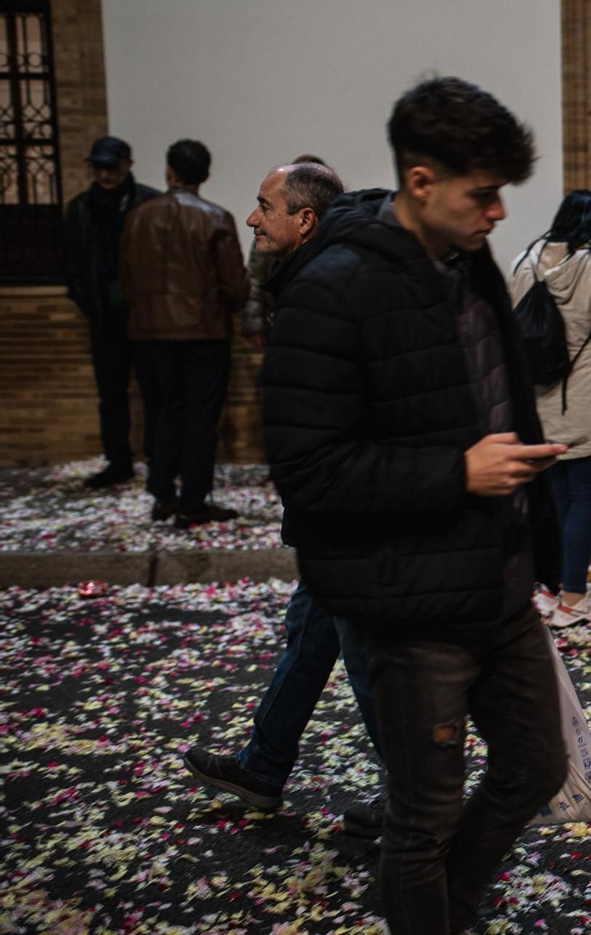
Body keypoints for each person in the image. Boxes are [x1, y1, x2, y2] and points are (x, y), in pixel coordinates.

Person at [261, 76, 569, 935]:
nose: (500, 212)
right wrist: (456, 473)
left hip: (496, 580)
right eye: (484, 192)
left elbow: (483, 391)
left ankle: (450, 907)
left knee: (537, 765)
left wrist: (523, 488)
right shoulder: (333, 291)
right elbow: (310, 473)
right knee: (422, 818)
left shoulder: (465, 262)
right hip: (409, 599)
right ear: (422, 182)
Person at [182, 160, 384, 836]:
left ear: (304, 220)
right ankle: (265, 763)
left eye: (263, 205)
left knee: (364, 659)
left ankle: (416, 795)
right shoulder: (305, 277)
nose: (251, 219)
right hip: (331, 511)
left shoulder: (329, 287)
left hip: (347, 517)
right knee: (311, 635)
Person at [508, 190, 591, 627]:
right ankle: (573, 598)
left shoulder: (523, 262)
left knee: (555, 501)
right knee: (583, 500)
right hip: (590, 400)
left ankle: (550, 590)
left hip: (540, 401)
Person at [119, 139, 249, 527]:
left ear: (169, 171)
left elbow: (125, 278)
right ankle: (192, 501)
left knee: (164, 412)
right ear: (205, 174)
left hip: (149, 332)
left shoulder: (138, 218)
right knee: (201, 418)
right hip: (203, 332)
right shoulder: (216, 217)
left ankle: (162, 493)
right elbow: (235, 285)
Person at [60, 136, 162, 489]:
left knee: (154, 390)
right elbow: (72, 265)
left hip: (144, 313)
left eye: (112, 167)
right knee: (112, 393)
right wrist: (87, 301)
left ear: (127, 165)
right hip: (103, 314)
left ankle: (157, 459)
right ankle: (118, 461)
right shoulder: (79, 209)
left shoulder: (149, 202)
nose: (105, 175)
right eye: (99, 167)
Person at [243, 153, 331, 351]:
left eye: (266, 207)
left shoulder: (334, 256)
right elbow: (255, 279)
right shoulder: (270, 238)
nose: (253, 220)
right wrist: (255, 323)